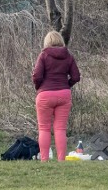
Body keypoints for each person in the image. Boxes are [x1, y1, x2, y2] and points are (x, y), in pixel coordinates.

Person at [32, 30, 81, 161]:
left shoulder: (43, 55)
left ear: (47, 42)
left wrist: (39, 87)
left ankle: (44, 160)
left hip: (45, 95)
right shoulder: (68, 56)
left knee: (44, 129)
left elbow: (37, 76)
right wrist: (66, 85)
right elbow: (76, 76)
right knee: (60, 129)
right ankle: (61, 160)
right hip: (64, 95)